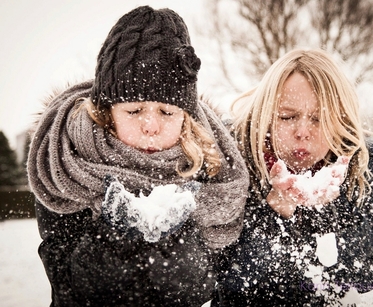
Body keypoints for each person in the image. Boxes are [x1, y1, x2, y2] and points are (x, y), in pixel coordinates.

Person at [27, 6, 249, 306]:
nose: (151, 126)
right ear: (107, 113)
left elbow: (204, 288)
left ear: (186, 117)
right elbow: (70, 288)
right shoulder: (69, 164)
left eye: (167, 112)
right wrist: (115, 235)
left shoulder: (208, 172)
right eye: (133, 110)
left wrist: (178, 246)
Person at [211, 49, 373, 306]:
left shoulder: (354, 171)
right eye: (287, 116)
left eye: (319, 118)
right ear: (266, 116)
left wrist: (334, 209)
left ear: (339, 122)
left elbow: (363, 275)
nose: (303, 131)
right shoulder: (233, 166)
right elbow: (234, 285)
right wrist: (277, 212)